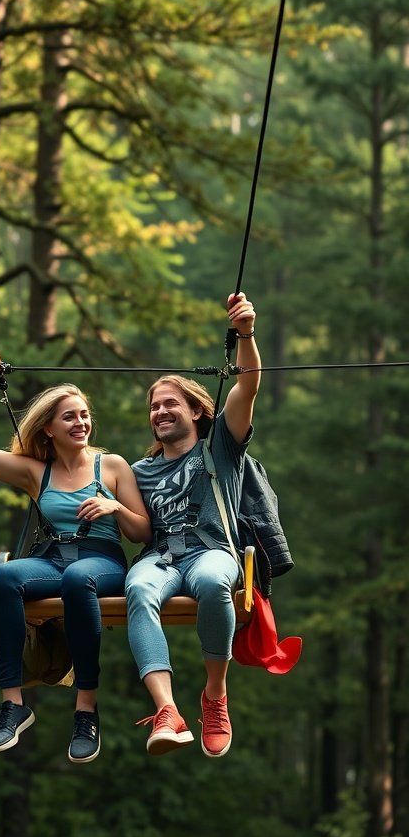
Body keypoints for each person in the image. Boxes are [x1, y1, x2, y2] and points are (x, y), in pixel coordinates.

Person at [0, 337, 151, 763]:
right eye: (70, 417)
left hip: (101, 561)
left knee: (78, 579)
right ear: (48, 428)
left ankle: (86, 708)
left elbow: (141, 531)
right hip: (51, 559)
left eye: (84, 415)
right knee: (6, 576)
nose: (81, 423)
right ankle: (13, 704)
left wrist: (115, 506)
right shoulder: (37, 473)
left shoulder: (112, 466)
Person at [125, 292, 260, 758]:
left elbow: (247, 386)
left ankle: (215, 695)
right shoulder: (138, 472)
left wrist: (245, 334)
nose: (160, 412)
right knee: (137, 589)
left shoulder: (220, 446)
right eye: (154, 407)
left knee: (212, 581)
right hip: (160, 557)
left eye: (170, 404)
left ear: (197, 411)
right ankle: (167, 710)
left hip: (212, 552)